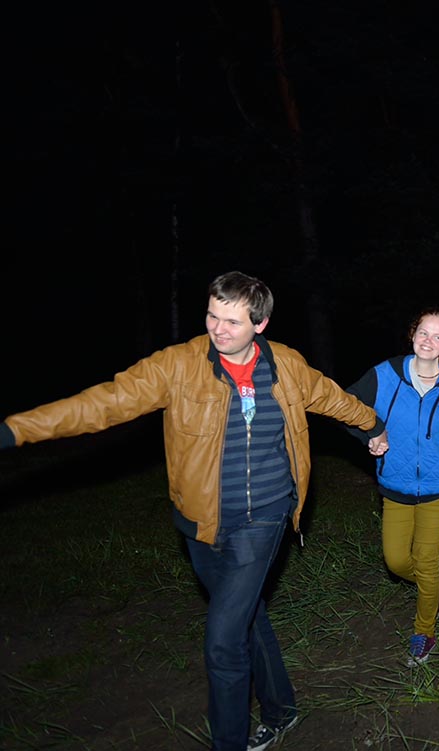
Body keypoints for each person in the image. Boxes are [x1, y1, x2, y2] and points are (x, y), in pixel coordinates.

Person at [0, 271, 387, 751]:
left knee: (223, 642)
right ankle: (281, 710)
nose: (218, 329)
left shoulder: (286, 365)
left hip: (265, 517)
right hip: (201, 523)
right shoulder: (179, 365)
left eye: (232, 321)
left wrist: (372, 426)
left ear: (260, 325)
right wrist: (17, 430)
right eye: (211, 316)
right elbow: (105, 402)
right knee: (247, 617)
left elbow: (331, 397)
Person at [344, 308, 439, 666]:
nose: (428, 341)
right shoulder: (384, 375)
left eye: (437, 336)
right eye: (423, 332)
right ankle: (434, 586)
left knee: (426, 561)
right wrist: (371, 433)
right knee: (396, 561)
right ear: (413, 334)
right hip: (395, 485)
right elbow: (345, 406)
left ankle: (424, 631)